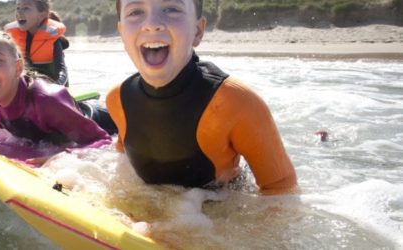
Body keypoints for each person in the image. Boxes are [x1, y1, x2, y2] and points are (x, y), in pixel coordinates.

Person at [106, 0, 298, 195]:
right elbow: (123, 167)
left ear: (197, 31)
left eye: (171, 9)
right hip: (172, 213)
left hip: (220, 211)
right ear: (122, 33)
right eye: (135, 12)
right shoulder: (118, 99)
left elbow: (282, 189)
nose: (152, 24)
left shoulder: (236, 102)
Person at [0, 27, 111, 152]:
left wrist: (61, 158)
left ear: (18, 68)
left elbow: (103, 140)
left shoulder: (47, 101)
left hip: (106, 121)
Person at [4, 0, 70, 86]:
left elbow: (62, 70)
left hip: (54, 84)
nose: (19, 12)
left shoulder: (53, 39)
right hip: (29, 84)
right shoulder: (14, 39)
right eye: (18, 8)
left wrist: (56, 87)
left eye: (26, 8)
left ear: (42, 14)